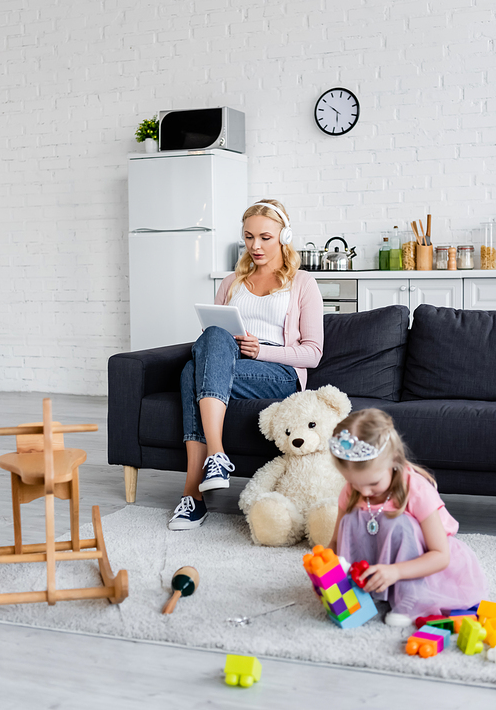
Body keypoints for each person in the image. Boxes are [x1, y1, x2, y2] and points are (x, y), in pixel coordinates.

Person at [168, 199, 324, 530]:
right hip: (231, 366)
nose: (255, 246)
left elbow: (312, 353)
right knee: (208, 340)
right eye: (249, 237)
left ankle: (195, 493)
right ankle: (215, 463)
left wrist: (261, 350)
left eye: (265, 237)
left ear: (285, 236)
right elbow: (213, 340)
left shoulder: (302, 283)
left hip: (279, 374)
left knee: (189, 373)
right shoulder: (232, 282)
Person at [328, 408, 488, 626]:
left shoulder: (417, 490)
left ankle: (410, 599)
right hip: (378, 561)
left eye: (373, 483)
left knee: (399, 523)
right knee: (351, 518)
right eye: (354, 482)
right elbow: (337, 540)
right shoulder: (352, 490)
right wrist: (327, 575)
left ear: (393, 460)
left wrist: (396, 571)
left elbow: (441, 555)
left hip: (421, 565)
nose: (363, 492)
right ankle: (365, 586)